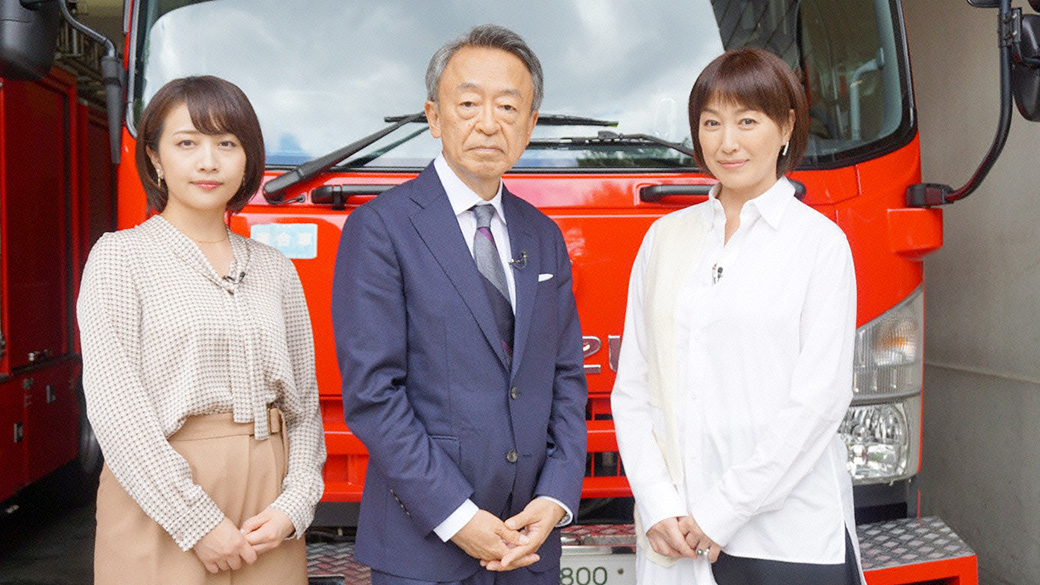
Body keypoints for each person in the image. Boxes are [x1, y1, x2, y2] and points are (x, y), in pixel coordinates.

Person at [332, 24, 588, 585]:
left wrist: (555, 498)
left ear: (529, 125)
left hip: (529, 545)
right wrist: (457, 516)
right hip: (424, 547)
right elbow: (374, 394)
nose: (488, 123)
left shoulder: (543, 235)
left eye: (508, 107)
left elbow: (566, 377)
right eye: (468, 104)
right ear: (434, 116)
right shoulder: (380, 229)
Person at [611, 48, 866, 585]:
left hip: (786, 540)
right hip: (676, 534)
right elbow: (633, 386)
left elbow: (819, 401)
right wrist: (657, 503)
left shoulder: (819, 244)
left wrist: (723, 511)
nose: (727, 142)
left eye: (747, 121)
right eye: (712, 123)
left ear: (786, 127)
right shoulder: (664, 237)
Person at [77, 75, 326, 585]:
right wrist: (196, 522)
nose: (208, 162)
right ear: (154, 157)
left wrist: (295, 503)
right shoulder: (120, 258)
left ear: (247, 159)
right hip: (161, 499)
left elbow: (304, 403)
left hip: (269, 512)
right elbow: (115, 407)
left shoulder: (276, 268)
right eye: (187, 143)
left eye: (226, 144)